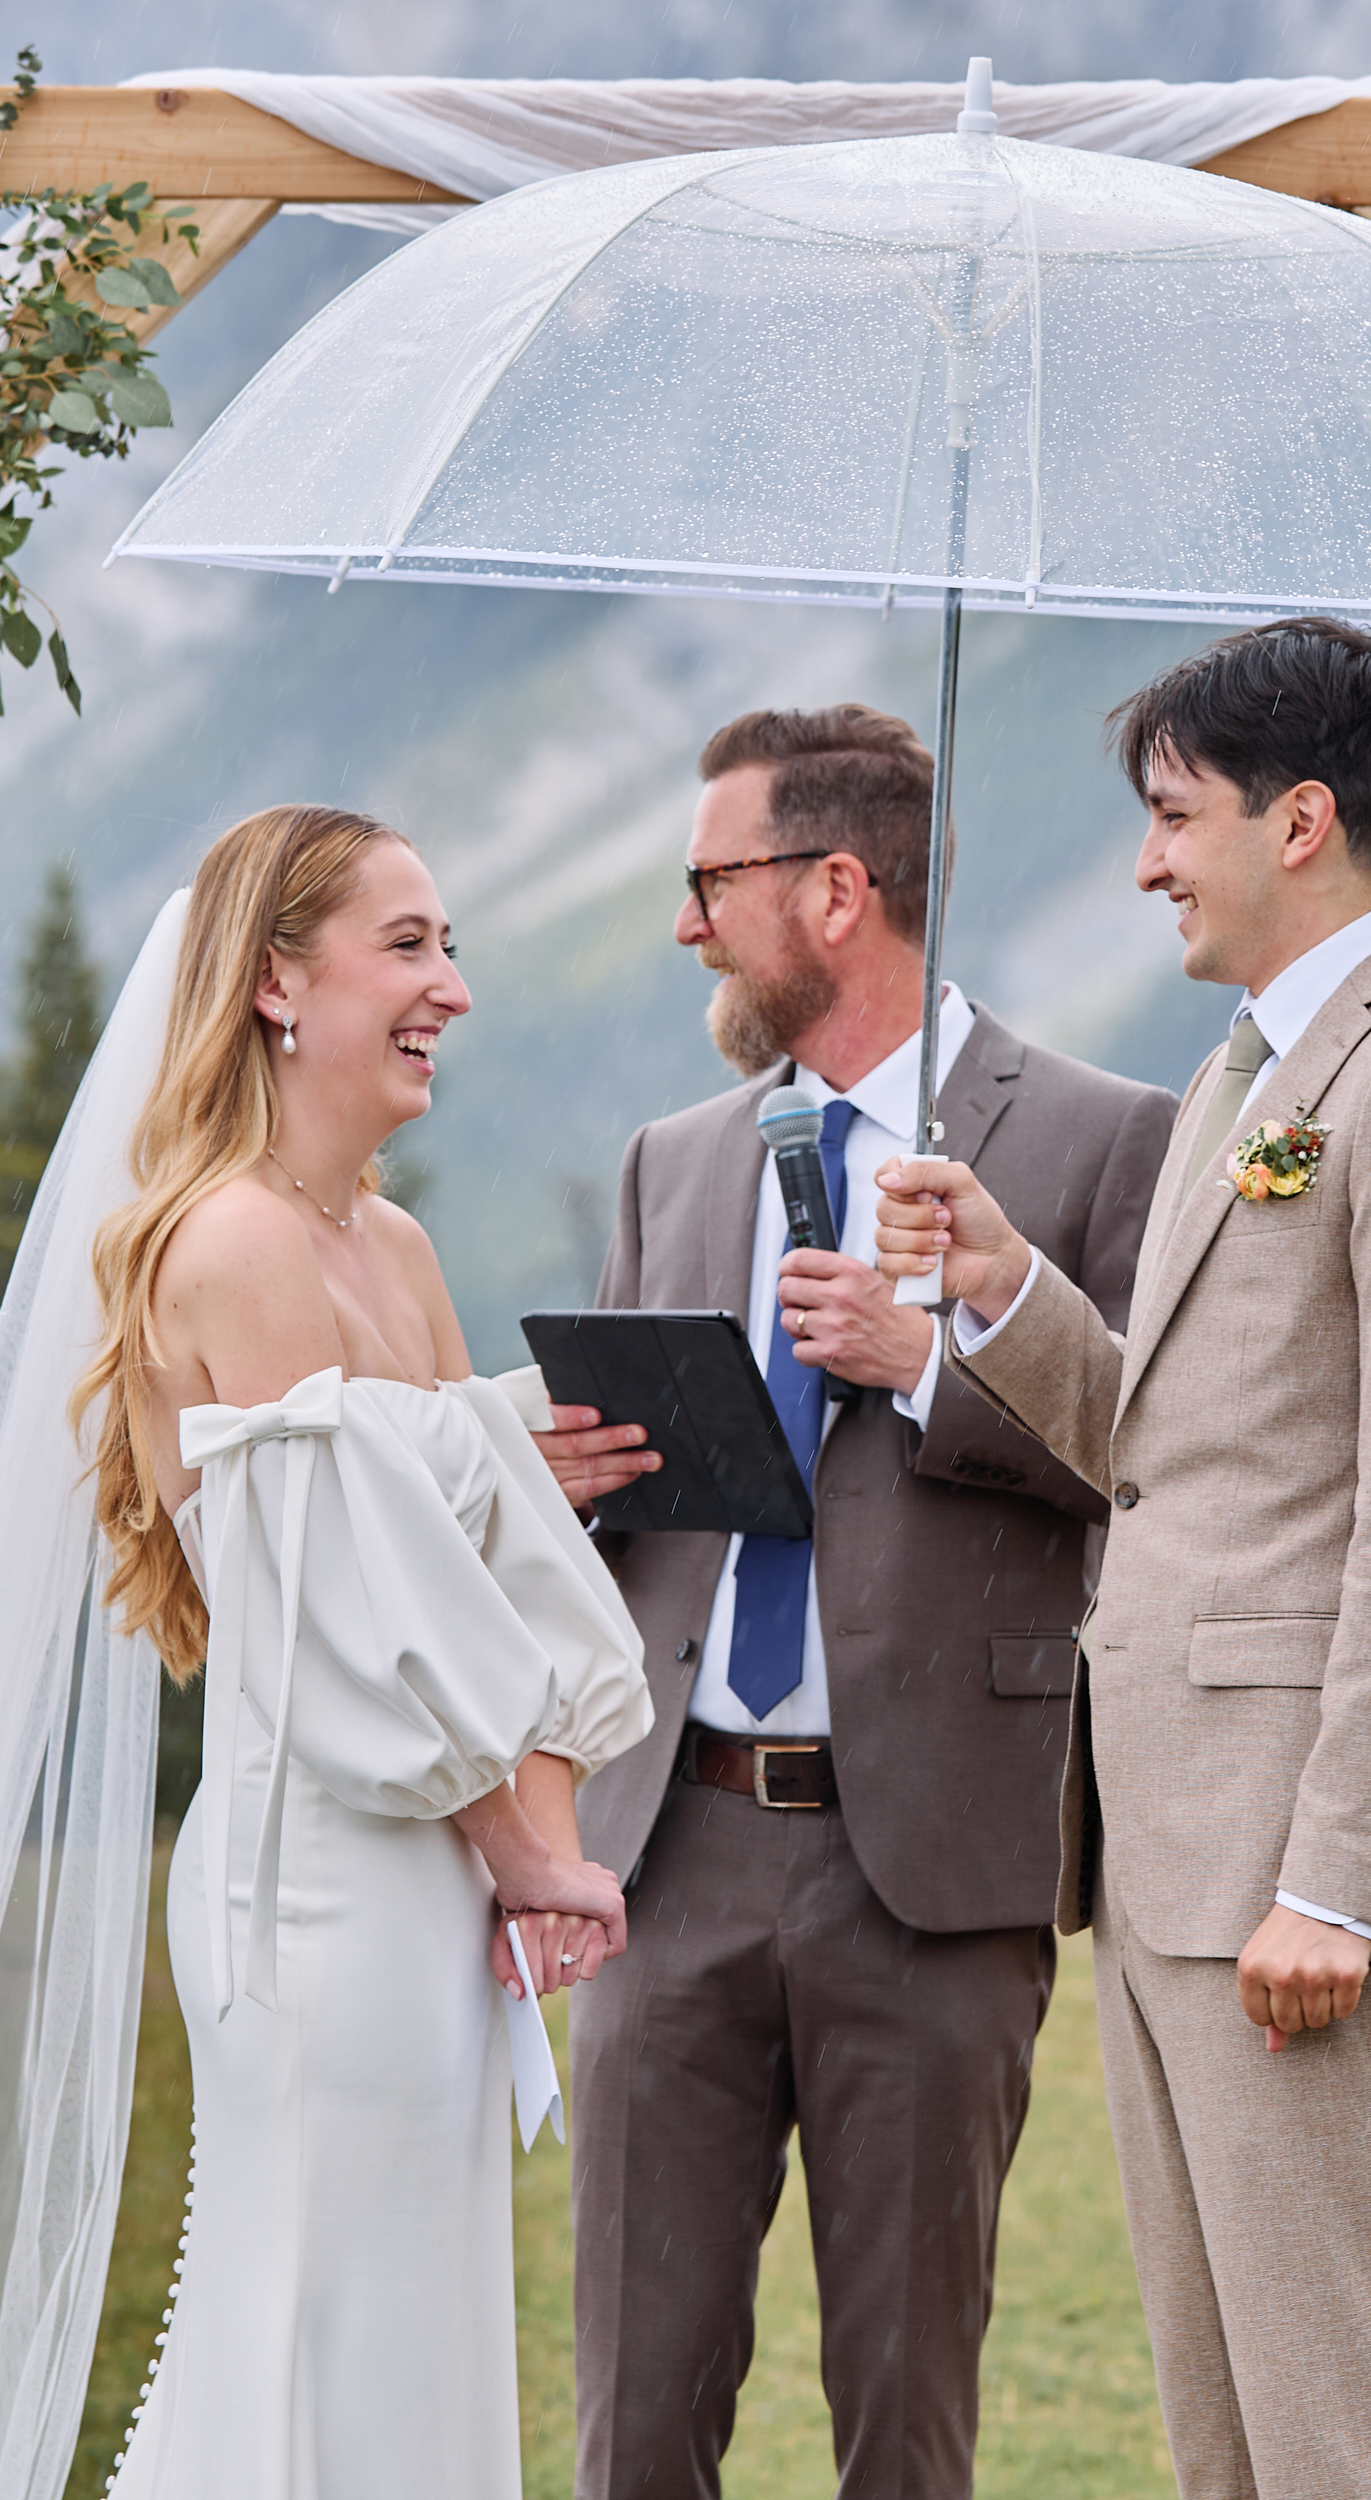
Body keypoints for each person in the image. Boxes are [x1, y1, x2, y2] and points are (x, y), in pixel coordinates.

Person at [875, 622, 1371, 2500]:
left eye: (1176, 819)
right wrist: (1007, 1286)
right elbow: (1172, 1461)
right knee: (1231, 2451)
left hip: (1291, 1881)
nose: (1151, 862)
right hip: (1175, 1858)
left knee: (1349, 2446)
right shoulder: (1239, 1079)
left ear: (1305, 821)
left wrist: (1337, 1884)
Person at [521, 704, 1175, 2498]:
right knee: (634, 2422)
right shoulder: (676, 1158)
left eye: (706, 881)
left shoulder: (1108, 1139)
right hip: (680, 1854)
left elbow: (1161, 1455)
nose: (681, 926)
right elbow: (625, 1521)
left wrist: (932, 1363)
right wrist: (568, 1490)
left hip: (938, 1872)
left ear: (834, 890)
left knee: (906, 2425)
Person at [62, 806, 650, 2500]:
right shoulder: (234, 1246)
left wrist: (533, 1847)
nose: (452, 988)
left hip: (437, 1874)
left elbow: (489, 1591)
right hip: (319, 1884)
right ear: (272, 985)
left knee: (423, 2333)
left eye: (448, 947)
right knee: (322, 2326)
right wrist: (536, 1861)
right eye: (407, 947)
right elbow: (365, 1642)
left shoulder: (387, 1245)